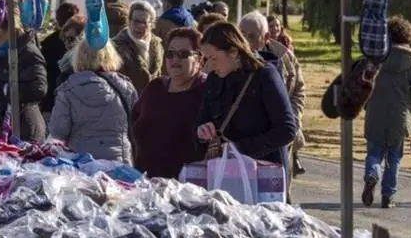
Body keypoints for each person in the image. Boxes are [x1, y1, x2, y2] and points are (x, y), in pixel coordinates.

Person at [196, 22, 297, 169]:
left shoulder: (265, 75)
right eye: (207, 59)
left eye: (214, 58)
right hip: (224, 171)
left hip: (262, 173)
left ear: (233, 52)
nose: (210, 65)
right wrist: (201, 132)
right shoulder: (214, 78)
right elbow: (200, 120)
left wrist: (239, 148)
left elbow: (287, 130)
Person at [239, 11, 307, 201]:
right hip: (244, 140)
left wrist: (291, 118)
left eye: (250, 36)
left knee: (277, 192)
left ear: (265, 37)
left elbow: (298, 90)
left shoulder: (284, 58)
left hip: (279, 137)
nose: (244, 40)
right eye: (241, 33)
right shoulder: (227, 58)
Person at [362, 17, 411, 209]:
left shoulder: (376, 56)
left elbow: (365, 80)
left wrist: (366, 104)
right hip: (400, 114)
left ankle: (372, 173)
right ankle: (388, 196)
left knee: (374, 151)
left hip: (376, 111)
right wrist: (410, 109)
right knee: (394, 157)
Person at [132, 28, 207, 178]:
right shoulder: (155, 88)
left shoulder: (208, 90)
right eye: (170, 54)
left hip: (187, 189)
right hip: (144, 184)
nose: (175, 59)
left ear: (199, 58)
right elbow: (134, 120)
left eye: (183, 54)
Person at [49, 39, 137, 163]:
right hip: (119, 163)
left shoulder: (67, 90)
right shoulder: (125, 87)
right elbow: (136, 125)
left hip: (82, 163)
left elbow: (58, 131)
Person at [0, 14, 48, 143]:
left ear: (11, 31)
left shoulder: (29, 52)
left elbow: (38, 89)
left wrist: (0, 88)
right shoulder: (2, 53)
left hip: (23, 129)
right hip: (2, 127)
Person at [112, 0, 164, 93]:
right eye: (136, 21)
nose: (139, 26)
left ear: (151, 24)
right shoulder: (116, 47)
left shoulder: (157, 45)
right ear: (129, 21)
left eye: (144, 22)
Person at [41, 3, 80, 115]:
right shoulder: (84, 47)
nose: (68, 43)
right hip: (73, 104)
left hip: (52, 102)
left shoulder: (48, 44)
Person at [54, 15, 87, 86]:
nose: (66, 43)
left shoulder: (84, 65)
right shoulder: (66, 62)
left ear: (83, 37)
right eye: (64, 39)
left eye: (71, 39)